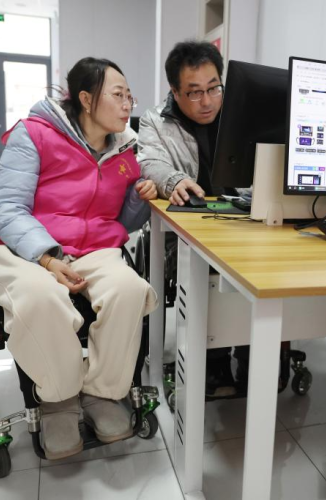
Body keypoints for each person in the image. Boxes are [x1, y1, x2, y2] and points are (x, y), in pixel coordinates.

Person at [0, 57, 159, 460]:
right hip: (25, 248)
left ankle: (102, 393)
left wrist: (139, 198)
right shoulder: (35, 134)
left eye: (130, 97)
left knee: (129, 289)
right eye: (118, 95)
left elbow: (122, 222)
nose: (127, 105)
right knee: (41, 297)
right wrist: (47, 258)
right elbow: (5, 208)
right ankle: (59, 400)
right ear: (86, 99)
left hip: (93, 248)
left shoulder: (125, 150)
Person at [137, 40, 248, 399]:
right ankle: (214, 360)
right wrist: (173, 181)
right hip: (184, 231)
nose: (207, 101)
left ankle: (254, 354)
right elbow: (149, 162)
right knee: (210, 265)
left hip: (242, 222)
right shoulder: (156, 120)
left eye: (214, 88)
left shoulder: (241, 111)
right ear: (175, 91)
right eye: (195, 92)